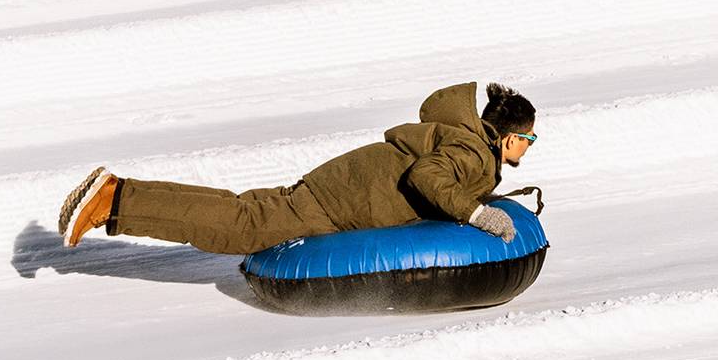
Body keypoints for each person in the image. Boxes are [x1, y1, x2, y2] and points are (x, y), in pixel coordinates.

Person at [57, 81, 537, 254]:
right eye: (531, 139)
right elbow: (426, 179)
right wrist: (476, 214)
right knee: (242, 229)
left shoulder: (462, 140)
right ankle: (112, 201)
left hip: (336, 187)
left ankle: (119, 192)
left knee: (241, 209)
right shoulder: (473, 152)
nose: (530, 148)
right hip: (338, 204)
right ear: (512, 137)